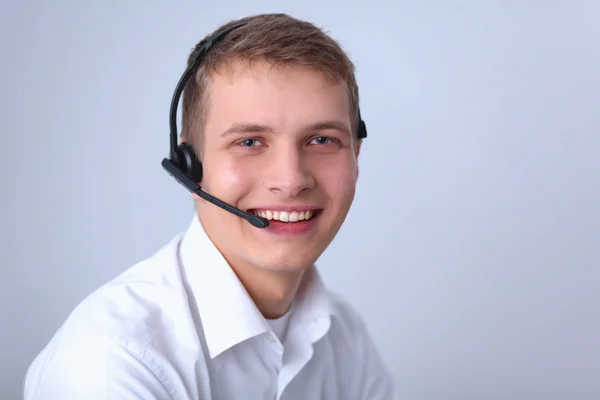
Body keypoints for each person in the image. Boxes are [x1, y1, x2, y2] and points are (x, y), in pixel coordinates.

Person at [24, 13, 396, 400]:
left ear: (356, 153)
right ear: (189, 166)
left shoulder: (344, 336)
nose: (291, 180)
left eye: (321, 140)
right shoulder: (111, 364)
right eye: (250, 142)